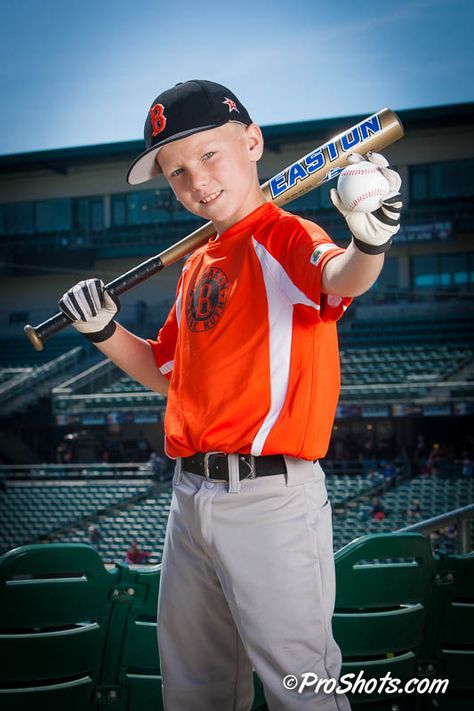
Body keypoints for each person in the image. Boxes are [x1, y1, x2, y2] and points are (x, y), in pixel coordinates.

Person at [58, 80, 402, 711]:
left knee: (302, 686)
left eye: (209, 155)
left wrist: (369, 241)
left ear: (252, 142)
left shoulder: (286, 234)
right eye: (177, 171)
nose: (195, 181)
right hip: (188, 497)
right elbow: (168, 372)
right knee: (195, 689)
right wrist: (102, 331)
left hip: (269, 497)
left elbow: (341, 277)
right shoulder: (198, 262)